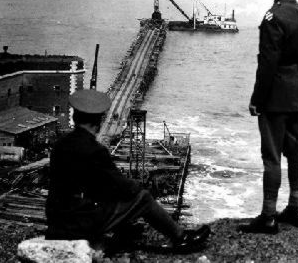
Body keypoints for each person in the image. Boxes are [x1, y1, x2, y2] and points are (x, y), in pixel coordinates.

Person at [45, 89, 211, 253]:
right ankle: (181, 238)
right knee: (143, 198)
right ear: (99, 121)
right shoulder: (95, 150)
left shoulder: (60, 145)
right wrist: (137, 185)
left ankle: (124, 234)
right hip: (78, 223)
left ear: (75, 117)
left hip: (56, 220)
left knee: (107, 197)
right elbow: (124, 187)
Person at [239, 0, 298, 234]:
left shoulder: (273, 17)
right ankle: (295, 208)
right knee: (295, 154)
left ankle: (268, 215)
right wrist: (296, 85)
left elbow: (267, 64)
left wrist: (258, 99)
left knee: (271, 156)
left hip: (274, 97)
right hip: (296, 94)